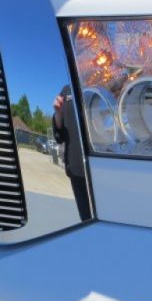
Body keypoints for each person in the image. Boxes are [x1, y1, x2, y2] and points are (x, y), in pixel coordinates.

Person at [53, 85, 91, 220]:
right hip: (77, 170)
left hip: (106, 168)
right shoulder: (67, 90)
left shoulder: (103, 79)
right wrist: (57, 113)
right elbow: (59, 136)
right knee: (86, 219)